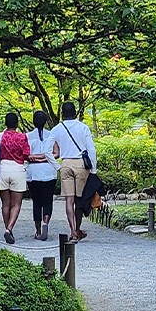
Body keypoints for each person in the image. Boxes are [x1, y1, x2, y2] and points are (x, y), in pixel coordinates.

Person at [49, 102, 97, 242]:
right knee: (79, 200)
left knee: (69, 200)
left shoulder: (56, 129)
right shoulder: (83, 128)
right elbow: (91, 149)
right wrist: (93, 169)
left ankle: (73, 231)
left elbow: (47, 151)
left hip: (65, 163)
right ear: (75, 112)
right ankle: (77, 230)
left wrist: (57, 167)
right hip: (81, 164)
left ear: (62, 113)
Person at [0, 112, 32, 244]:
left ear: (5, 123)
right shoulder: (22, 137)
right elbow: (26, 154)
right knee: (16, 203)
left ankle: (7, 229)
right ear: (17, 124)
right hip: (17, 169)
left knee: (5, 203)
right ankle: (9, 229)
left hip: (3, 169)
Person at [25, 110, 60, 241]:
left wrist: (36, 158)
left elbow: (26, 155)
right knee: (47, 199)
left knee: (36, 202)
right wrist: (45, 158)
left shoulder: (27, 136)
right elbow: (56, 153)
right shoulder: (52, 135)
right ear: (45, 121)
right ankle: (46, 222)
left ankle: (38, 230)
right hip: (49, 171)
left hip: (33, 172)